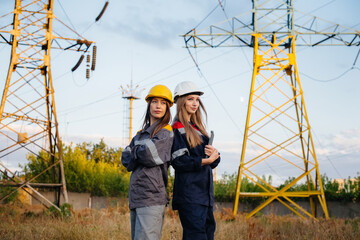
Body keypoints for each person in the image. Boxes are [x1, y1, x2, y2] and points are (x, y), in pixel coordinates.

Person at [121, 84, 174, 240]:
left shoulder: (166, 132)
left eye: (163, 103)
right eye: (155, 101)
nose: (158, 106)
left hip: (152, 197)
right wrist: (139, 150)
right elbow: (125, 158)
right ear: (149, 104)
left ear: (168, 108)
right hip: (136, 197)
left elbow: (149, 155)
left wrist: (135, 151)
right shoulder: (140, 134)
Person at [171, 81, 220, 240]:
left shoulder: (199, 129)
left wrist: (214, 155)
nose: (195, 103)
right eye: (190, 99)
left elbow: (211, 161)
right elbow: (179, 162)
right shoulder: (177, 128)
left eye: (197, 100)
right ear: (181, 101)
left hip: (205, 197)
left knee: (207, 235)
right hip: (190, 196)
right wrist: (205, 161)